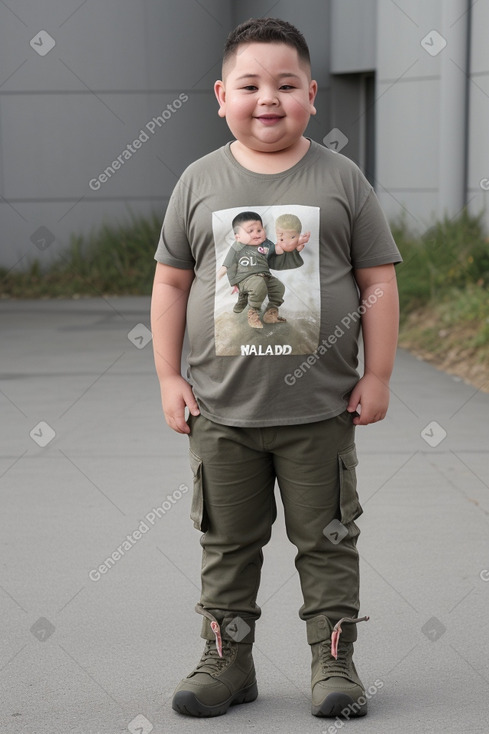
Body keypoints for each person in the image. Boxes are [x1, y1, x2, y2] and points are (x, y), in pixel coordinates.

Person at [150, 16, 401, 720]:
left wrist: (376, 374)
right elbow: (172, 283)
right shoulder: (199, 180)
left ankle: (334, 661)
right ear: (221, 94)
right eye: (251, 84)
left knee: (326, 545)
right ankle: (226, 662)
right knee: (227, 546)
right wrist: (169, 378)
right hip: (221, 414)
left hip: (318, 414)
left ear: (312, 96)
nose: (268, 98)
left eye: (285, 84)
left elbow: (376, 279)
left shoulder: (340, 178)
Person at [217, 210, 307, 327]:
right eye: (250, 231)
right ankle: (253, 313)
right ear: (237, 237)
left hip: (265, 276)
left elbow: (279, 249)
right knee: (258, 284)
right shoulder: (237, 247)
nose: (257, 233)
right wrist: (225, 280)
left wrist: (295, 246)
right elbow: (227, 265)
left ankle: (270, 313)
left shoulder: (265, 244)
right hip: (245, 278)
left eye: (259, 230)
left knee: (279, 287)